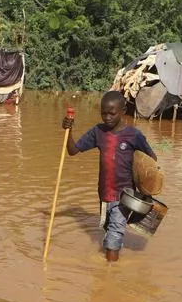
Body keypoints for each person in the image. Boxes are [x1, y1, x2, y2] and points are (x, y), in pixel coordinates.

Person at [64, 90, 157, 261]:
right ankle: (113, 257)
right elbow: (72, 151)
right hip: (104, 192)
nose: (107, 117)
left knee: (114, 234)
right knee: (109, 229)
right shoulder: (98, 132)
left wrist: (146, 188)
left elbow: (151, 161)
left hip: (124, 196)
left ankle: (110, 272)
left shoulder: (134, 135)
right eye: (103, 113)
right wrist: (69, 131)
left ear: (123, 112)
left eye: (111, 114)